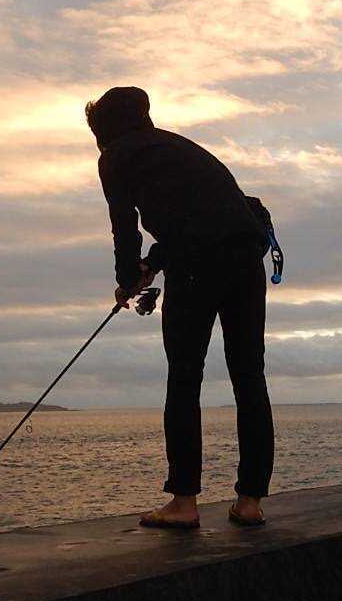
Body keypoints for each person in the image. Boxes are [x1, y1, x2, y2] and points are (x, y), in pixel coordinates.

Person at [87, 86, 275, 529]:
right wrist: (152, 266)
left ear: (104, 131)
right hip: (247, 259)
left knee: (185, 379)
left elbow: (124, 228)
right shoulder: (180, 148)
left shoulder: (116, 156)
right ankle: (250, 502)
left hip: (198, 267)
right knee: (249, 377)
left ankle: (184, 503)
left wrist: (127, 278)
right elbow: (196, 221)